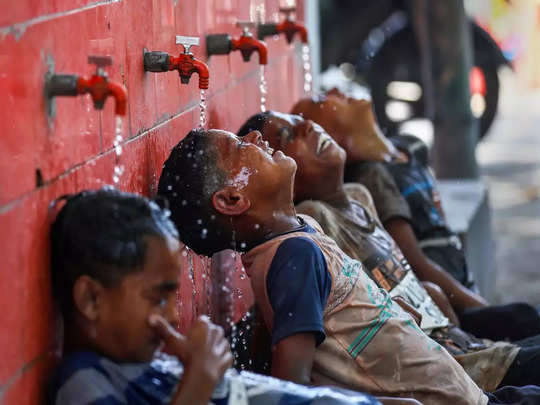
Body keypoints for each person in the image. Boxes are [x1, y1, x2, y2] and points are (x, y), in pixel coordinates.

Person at [159, 128, 495, 404]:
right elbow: (293, 389)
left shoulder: (301, 233)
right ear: (232, 200)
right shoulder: (294, 258)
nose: (256, 137)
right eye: (239, 146)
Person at [236, 110, 540, 392]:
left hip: (452, 341)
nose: (307, 125)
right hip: (442, 362)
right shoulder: (311, 221)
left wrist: (433, 299)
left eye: (299, 119)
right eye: (288, 137)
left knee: (522, 317)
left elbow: (405, 271)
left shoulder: (359, 196)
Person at [48, 188, 382, 405]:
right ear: (91, 300)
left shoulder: (149, 365)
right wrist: (200, 377)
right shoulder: (82, 382)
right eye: (157, 298)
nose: (173, 317)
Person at [292, 90, 540, 343]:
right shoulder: (369, 178)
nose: (335, 91)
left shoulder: (409, 147)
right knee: (523, 318)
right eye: (321, 99)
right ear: (329, 138)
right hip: (447, 301)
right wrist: (484, 311)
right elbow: (415, 264)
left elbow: (440, 221)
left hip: (457, 284)